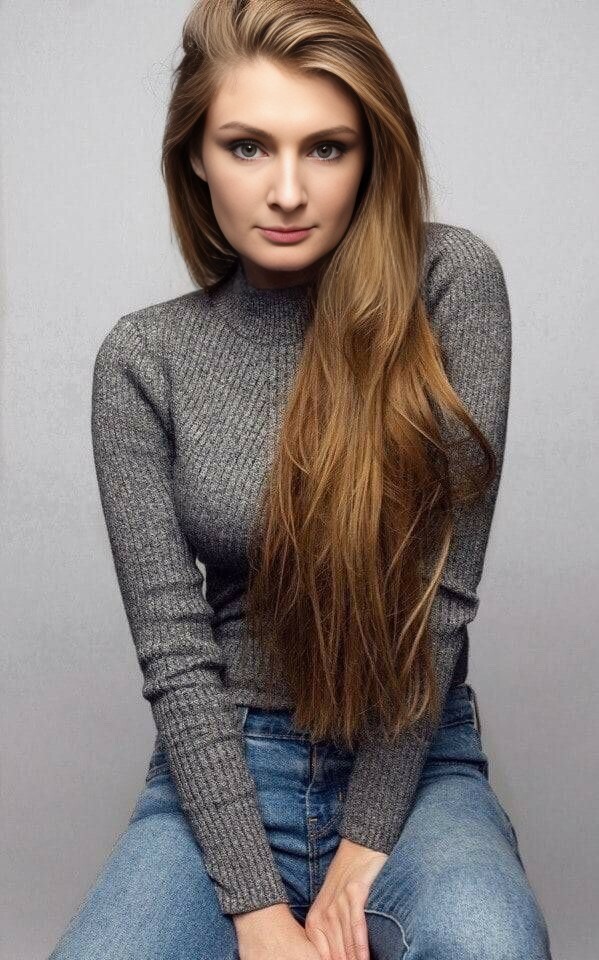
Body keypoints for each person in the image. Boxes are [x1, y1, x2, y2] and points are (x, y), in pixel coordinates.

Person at [48, 2, 554, 958]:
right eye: (246, 147)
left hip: (413, 765)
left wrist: (364, 845)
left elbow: (437, 601)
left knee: (488, 939)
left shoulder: (449, 285)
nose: (286, 191)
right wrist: (255, 907)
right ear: (196, 157)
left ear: (372, 155)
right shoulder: (145, 359)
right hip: (223, 773)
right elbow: (175, 652)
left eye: (326, 148)